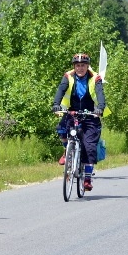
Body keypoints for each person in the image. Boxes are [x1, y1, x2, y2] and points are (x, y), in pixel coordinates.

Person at [52, 53, 106, 191]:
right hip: (72, 111)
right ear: (74, 67)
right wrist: (56, 104)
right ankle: (67, 151)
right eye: (77, 65)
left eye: (83, 65)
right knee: (62, 130)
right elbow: (60, 90)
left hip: (90, 114)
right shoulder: (68, 77)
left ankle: (87, 178)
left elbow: (100, 94)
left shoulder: (95, 78)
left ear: (87, 66)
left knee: (89, 146)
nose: (80, 68)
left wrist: (100, 108)